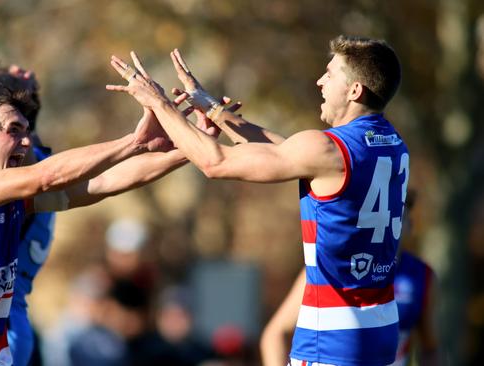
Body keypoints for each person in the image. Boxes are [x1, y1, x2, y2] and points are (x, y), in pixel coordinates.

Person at [107, 35, 408, 365]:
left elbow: (214, 162)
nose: (320, 81)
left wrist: (158, 104)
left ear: (354, 91)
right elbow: (285, 152)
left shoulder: (327, 149)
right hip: (382, 332)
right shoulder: (391, 144)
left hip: (332, 341)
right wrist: (214, 110)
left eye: (331, 73)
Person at [0, 70, 233, 365]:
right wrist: (133, 142)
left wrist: (191, 145)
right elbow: (46, 176)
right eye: (14, 129)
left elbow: (106, 182)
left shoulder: (14, 204)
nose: (26, 140)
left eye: (27, 130)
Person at [260, 192, 439, 366]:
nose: (390, 225)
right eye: (383, 216)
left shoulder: (420, 276)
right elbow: (274, 335)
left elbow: (430, 348)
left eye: (399, 218)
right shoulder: (331, 267)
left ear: (410, 225)